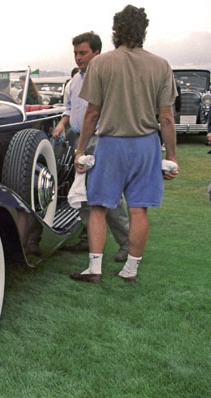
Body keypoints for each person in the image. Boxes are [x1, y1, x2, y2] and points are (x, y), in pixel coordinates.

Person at [70, 5, 178, 283]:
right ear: (143, 30)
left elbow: (92, 113)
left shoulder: (101, 63)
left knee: (98, 207)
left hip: (111, 144)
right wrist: (173, 156)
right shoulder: (161, 65)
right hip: (146, 146)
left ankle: (94, 269)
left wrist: (80, 150)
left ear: (116, 30)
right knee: (138, 208)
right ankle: (130, 270)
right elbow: (166, 118)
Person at [52, 31, 130, 263]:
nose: (78, 57)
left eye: (83, 53)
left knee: (110, 194)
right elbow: (69, 108)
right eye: (75, 53)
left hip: (103, 141)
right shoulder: (75, 82)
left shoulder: (109, 79)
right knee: (81, 193)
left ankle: (127, 243)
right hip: (79, 141)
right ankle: (88, 238)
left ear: (97, 53)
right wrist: (63, 123)